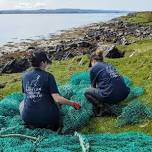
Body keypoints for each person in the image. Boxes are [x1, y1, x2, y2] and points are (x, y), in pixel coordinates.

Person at [20, 51, 81, 131]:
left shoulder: (24, 76)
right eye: (46, 62)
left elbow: (26, 93)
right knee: (55, 104)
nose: (47, 64)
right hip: (48, 120)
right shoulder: (48, 76)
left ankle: (32, 122)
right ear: (42, 62)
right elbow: (57, 99)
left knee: (21, 103)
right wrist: (72, 104)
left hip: (28, 119)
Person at [84, 48, 130, 116]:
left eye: (91, 63)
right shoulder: (109, 65)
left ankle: (103, 107)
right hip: (124, 94)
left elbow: (93, 86)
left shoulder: (93, 68)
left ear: (93, 61)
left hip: (111, 95)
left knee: (87, 92)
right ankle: (113, 100)